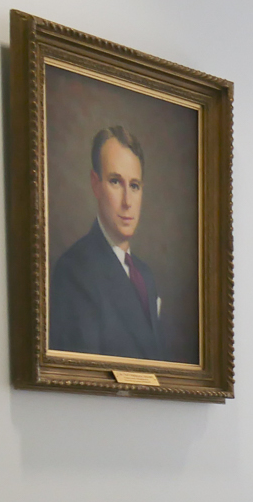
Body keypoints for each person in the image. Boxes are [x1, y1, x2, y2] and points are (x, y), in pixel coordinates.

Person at [48, 125, 178, 360]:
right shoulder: (74, 271)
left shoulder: (145, 275)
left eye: (135, 186)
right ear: (95, 184)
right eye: (115, 182)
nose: (127, 201)